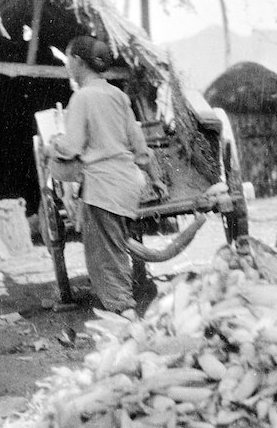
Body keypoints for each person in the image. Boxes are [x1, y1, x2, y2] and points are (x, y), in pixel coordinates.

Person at [50, 35, 184, 316]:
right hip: (127, 184)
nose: (67, 67)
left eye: (67, 60)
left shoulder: (82, 97)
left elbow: (72, 145)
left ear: (77, 61)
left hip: (101, 187)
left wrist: (54, 146)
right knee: (114, 248)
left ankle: (125, 314)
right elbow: (140, 147)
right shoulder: (119, 96)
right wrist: (156, 178)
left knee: (106, 258)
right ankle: (123, 309)